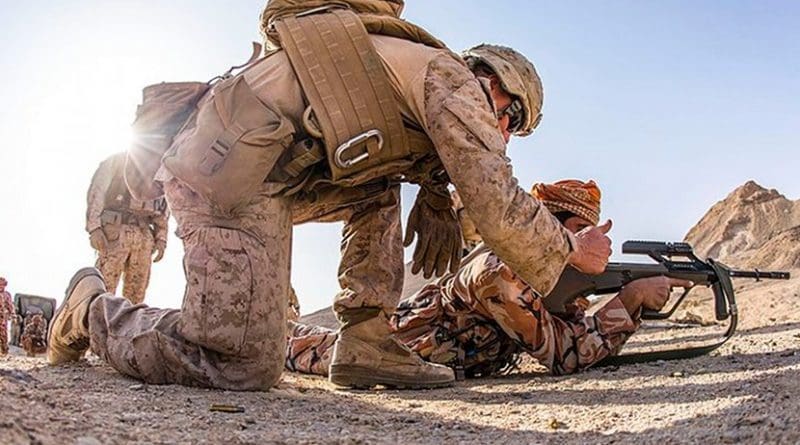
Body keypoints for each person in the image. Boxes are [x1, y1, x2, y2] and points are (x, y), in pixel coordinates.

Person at [49, 1, 612, 391]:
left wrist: (441, 197)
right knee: (239, 364)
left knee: (379, 183)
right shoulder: (453, 80)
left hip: (266, 172)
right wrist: (566, 247)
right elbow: (496, 203)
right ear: (492, 81)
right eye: (513, 115)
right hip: (225, 174)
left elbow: (463, 205)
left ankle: (366, 340)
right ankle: (92, 309)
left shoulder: (418, 82)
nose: (507, 131)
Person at [286, 180, 693, 377]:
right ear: (550, 227)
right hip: (394, 352)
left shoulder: (548, 281)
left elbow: (568, 330)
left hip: (434, 360)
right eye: (576, 233)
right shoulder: (500, 272)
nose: (591, 247)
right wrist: (631, 301)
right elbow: (566, 355)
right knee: (284, 343)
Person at [86, 152, 169, 304]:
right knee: (104, 289)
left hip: (144, 235)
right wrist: (94, 228)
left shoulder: (160, 170)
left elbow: (163, 207)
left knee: (136, 296)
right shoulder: (116, 162)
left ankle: (129, 327)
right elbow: (97, 193)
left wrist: (161, 238)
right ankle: (96, 325)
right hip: (115, 232)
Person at [0, 277, 15, 355]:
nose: (1, 286)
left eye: (3, 285)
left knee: (3, 335)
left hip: (2, 318)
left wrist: (13, 315)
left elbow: (10, 306)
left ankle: (4, 351)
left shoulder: (7, 295)